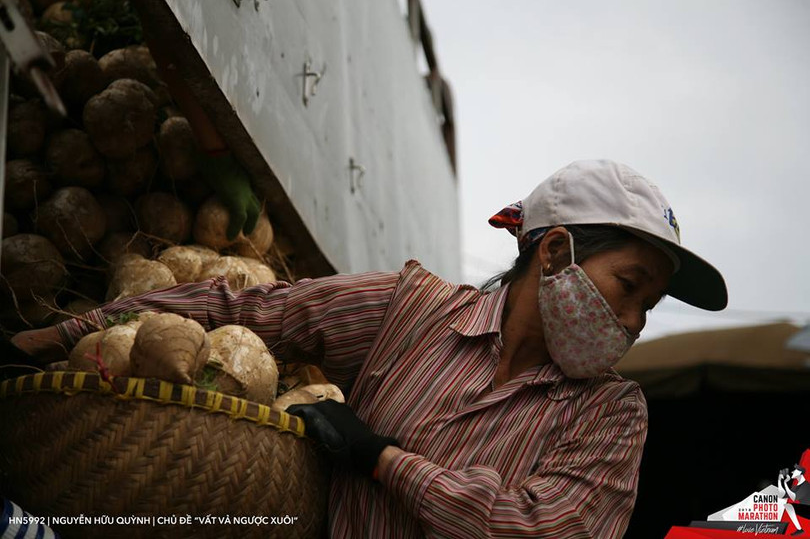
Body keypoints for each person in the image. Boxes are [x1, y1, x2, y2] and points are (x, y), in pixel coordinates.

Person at [12, 160, 728, 538]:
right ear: (553, 251)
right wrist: (61, 334)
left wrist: (381, 459)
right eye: (629, 286)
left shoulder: (612, 413)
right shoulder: (412, 309)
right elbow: (258, 310)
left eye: (647, 306)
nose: (634, 321)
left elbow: (546, 530)